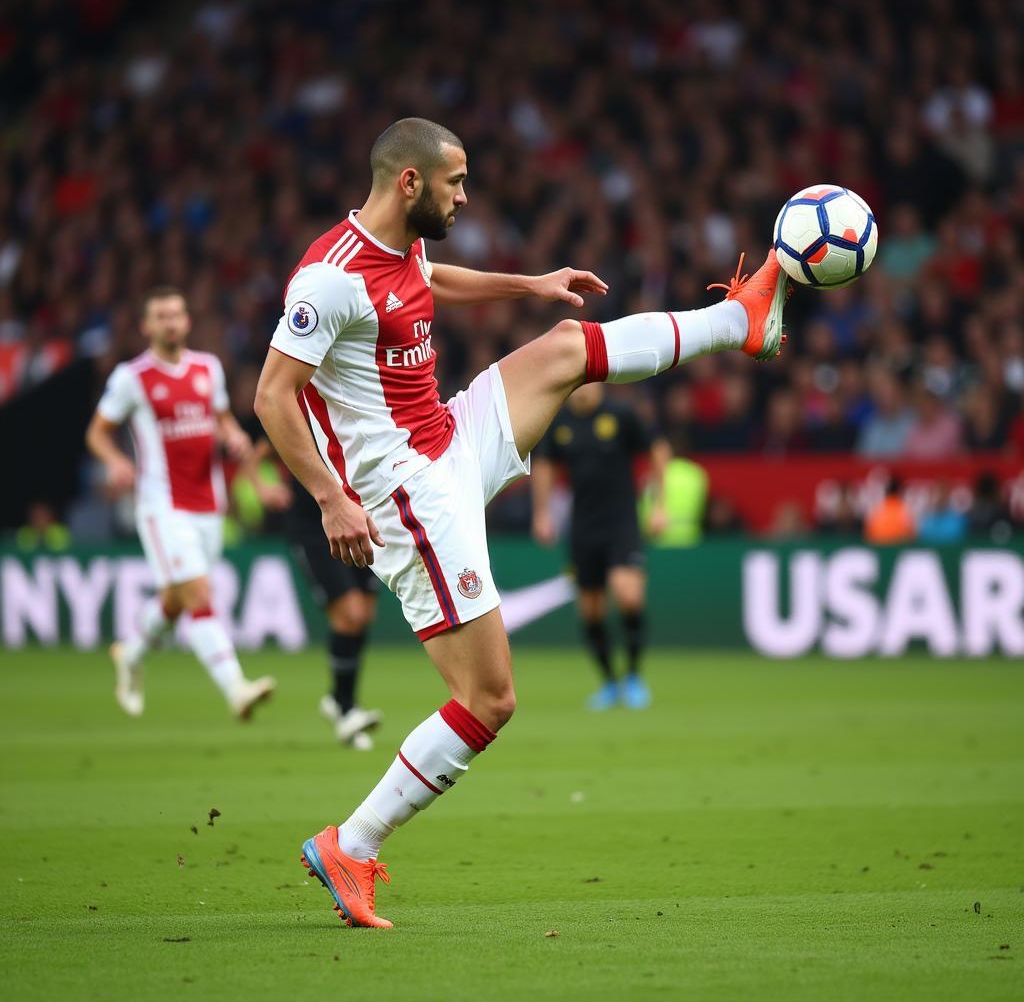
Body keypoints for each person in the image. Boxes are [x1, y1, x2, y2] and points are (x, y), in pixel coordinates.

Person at [254, 118, 791, 929]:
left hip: (447, 436)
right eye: (455, 182)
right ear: (409, 183)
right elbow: (271, 395)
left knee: (567, 344)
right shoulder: (328, 279)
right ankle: (352, 845)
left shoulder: (400, 248)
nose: (464, 195)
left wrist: (529, 284)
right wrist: (332, 497)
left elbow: (433, 280)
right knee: (489, 698)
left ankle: (739, 323)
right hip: (407, 495)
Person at [85, 286, 276, 720]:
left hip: (209, 504)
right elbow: (96, 432)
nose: (170, 322)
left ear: (187, 321)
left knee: (176, 601)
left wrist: (233, 436)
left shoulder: (207, 368)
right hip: (162, 506)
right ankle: (237, 689)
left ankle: (130, 655)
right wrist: (116, 462)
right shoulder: (131, 378)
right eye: (161, 316)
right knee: (199, 593)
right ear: (146, 326)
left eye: (176, 314)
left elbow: (223, 419)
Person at [531, 383, 669, 710]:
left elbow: (658, 450)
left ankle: (634, 675)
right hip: (583, 526)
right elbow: (545, 465)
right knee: (590, 609)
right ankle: (609, 682)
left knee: (628, 595)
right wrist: (542, 513)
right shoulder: (560, 421)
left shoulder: (620, 414)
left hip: (622, 522)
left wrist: (660, 504)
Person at [247, 446, 384, 749]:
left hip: (360, 518)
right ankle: (346, 708)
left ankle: (339, 700)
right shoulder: (303, 409)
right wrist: (261, 486)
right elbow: (257, 452)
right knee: (351, 614)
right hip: (313, 527)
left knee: (364, 613)